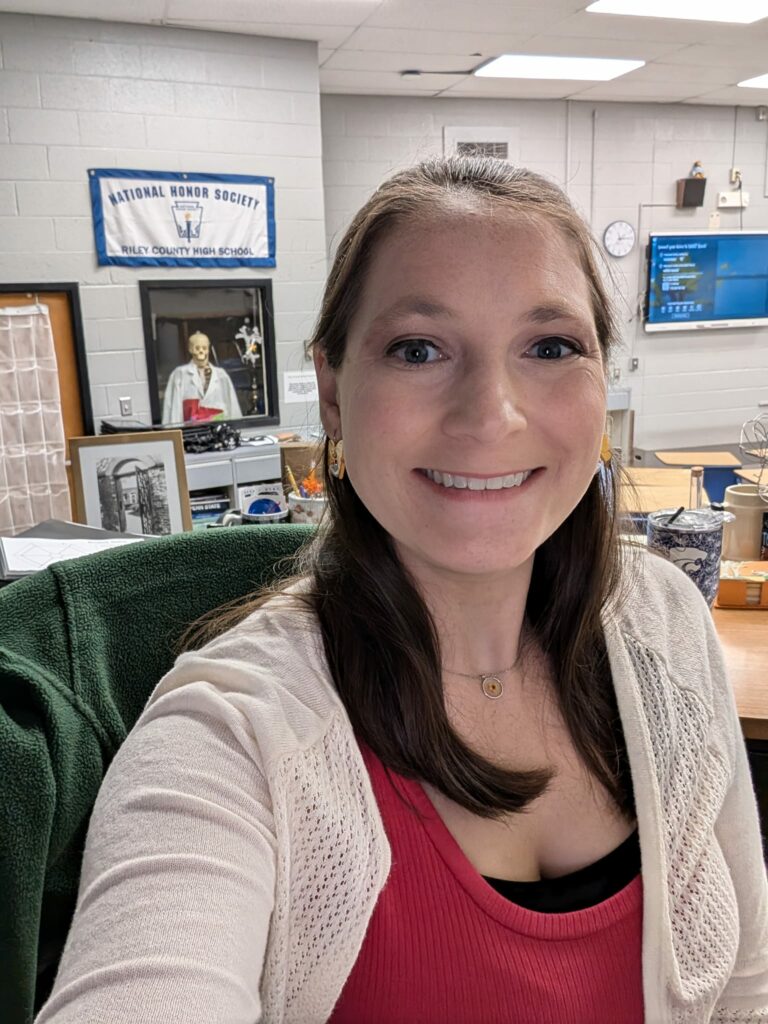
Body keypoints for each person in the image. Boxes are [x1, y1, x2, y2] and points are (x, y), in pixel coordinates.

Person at [36, 157, 767, 1023]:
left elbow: (746, 988)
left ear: (602, 378)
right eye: (418, 349)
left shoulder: (665, 622)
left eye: (551, 346)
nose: (489, 415)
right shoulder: (227, 735)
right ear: (336, 393)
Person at [161, 330, 242, 423]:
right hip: (189, 433)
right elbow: (172, 410)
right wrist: (175, 434)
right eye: (197, 348)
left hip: (217, 432)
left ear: (208, 349)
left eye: (204, 348)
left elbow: (233, 408)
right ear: (190, 349)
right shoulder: (180, 374)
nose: (201, 351)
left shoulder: (221, 375)